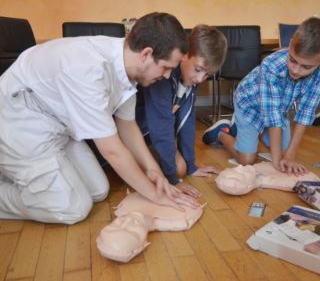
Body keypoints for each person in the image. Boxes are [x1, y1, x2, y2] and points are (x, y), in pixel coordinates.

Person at [0, 12, 200, 224]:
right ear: (146, 54)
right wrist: (156, 195)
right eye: (166, 67)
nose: (168, 76)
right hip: (18, 124)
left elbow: (127, 125)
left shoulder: (125, 63)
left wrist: (153, 170)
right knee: (72, 209)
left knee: (98, 190)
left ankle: (23, 175)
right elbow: (112, 150)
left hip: (57, 128)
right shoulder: (88, 70)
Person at [203, 17, 320, 176]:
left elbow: (305, 114)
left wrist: (290, 156)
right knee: (247, 160)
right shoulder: (271, 66)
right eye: (292, 60)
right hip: (249, 105)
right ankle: (221, 132)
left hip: (279, 109)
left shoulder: (317, 76)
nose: (296, 70)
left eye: (306, 67)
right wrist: (278, 161)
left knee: (286, 152)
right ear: (291, 42)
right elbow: (272, 115)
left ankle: (249, 132)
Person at [136, 25, 227, 197]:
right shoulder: (163, 75)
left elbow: (188, 120)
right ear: (184, 55)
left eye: (207, 75)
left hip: (155, 132)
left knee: (183, 168)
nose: (200, 79)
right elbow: (161, 126)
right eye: (198, 70)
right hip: (139, 132)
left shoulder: (190, 77)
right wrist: (173, 180)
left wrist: (192, 166)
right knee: (177, 170)